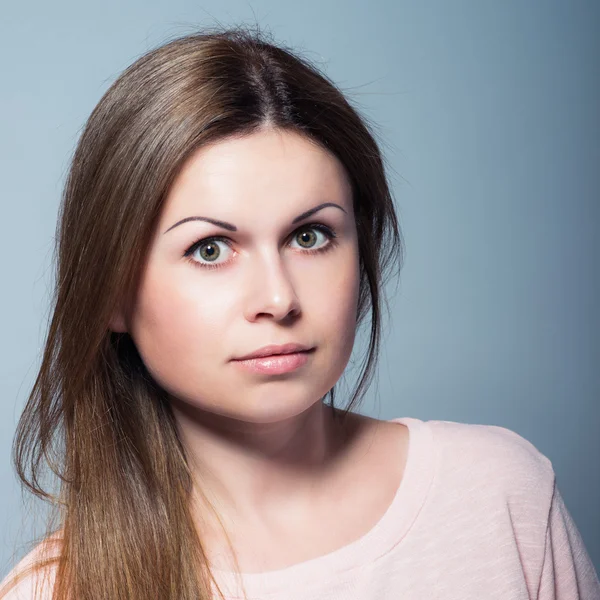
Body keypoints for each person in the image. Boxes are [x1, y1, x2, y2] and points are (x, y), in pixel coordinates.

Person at [1, 25, 598, 600]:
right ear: (111, 293)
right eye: (210, 250)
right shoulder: (55, 590)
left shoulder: (498, 497)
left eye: (309, 237)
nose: (279, 298)